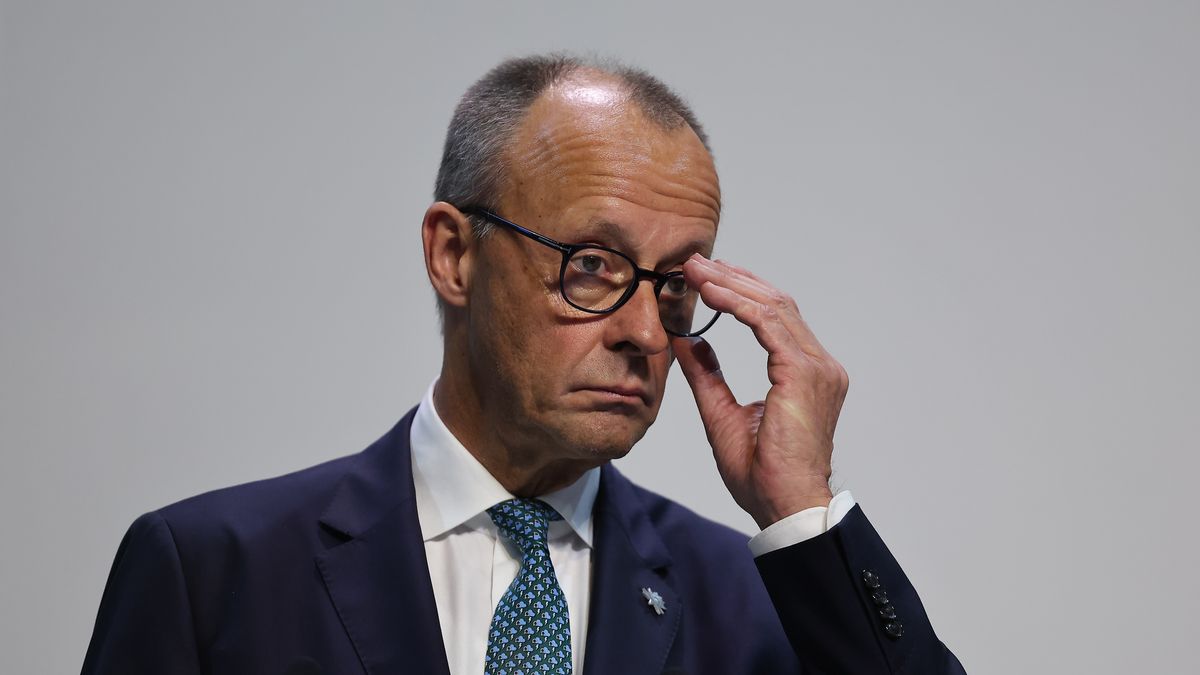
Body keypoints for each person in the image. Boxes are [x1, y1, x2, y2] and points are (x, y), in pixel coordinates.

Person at [82, 54, 966, 675]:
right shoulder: (212, 574)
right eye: (592, 265)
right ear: (454, 255)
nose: (646, 334)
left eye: (671, 285)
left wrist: (802, 511)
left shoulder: (762, 602)